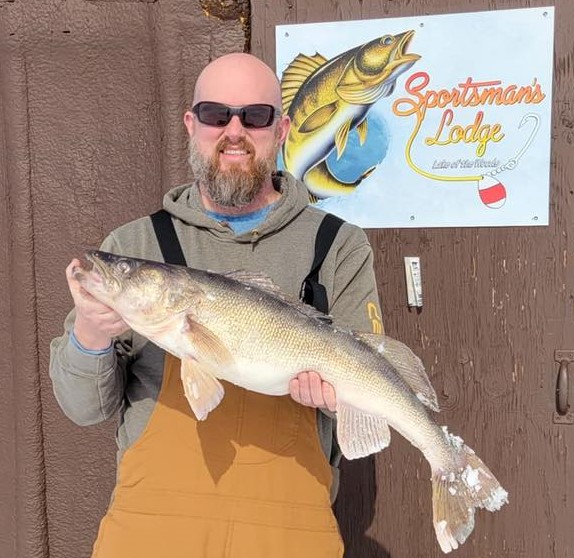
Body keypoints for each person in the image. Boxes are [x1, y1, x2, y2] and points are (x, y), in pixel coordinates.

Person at [49, 52, 383, 558]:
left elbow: (370, 389)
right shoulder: (136, 246)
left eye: (255, 116)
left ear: (282, 128)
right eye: (214, 114)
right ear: (191, 124)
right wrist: (92, 335)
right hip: (150, 534)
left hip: (288, 534)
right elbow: (83, 409)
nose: (233, 131)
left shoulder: (337, 246)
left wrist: (340, 398)